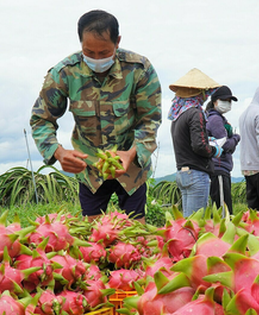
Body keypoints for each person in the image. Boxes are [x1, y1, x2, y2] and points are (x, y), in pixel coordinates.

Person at [30, 10, 162, 223]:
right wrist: (58, 152)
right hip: (89, 168)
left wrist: (131, 154)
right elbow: (41, 119)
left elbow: (150, 120)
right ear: (80, 43)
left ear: (117, 42)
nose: (97, 59)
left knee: (136, 237)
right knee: (92, 239)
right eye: (89, 52)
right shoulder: (64, 73)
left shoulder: (139, 70)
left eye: (104, 52)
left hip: (131, 167)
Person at [169, 68, 223, 218]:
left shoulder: (178, 114)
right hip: (196, 173)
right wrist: (214, 150)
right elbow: (199, 146)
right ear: (199, 93)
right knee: (195, 223)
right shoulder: (195, 112)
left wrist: (207, 140)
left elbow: (188, 140)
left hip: (182, 172)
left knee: (188, 220)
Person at [205, 85, 241, 214]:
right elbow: (225, 145)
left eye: (229, 101)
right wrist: (236, 137)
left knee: (222, 209)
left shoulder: (215, 118)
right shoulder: (215, 119)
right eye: (224, 100)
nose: (228, 103)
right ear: (215, 101)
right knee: (223, 212)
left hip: (219, 168)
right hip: (219, 168)